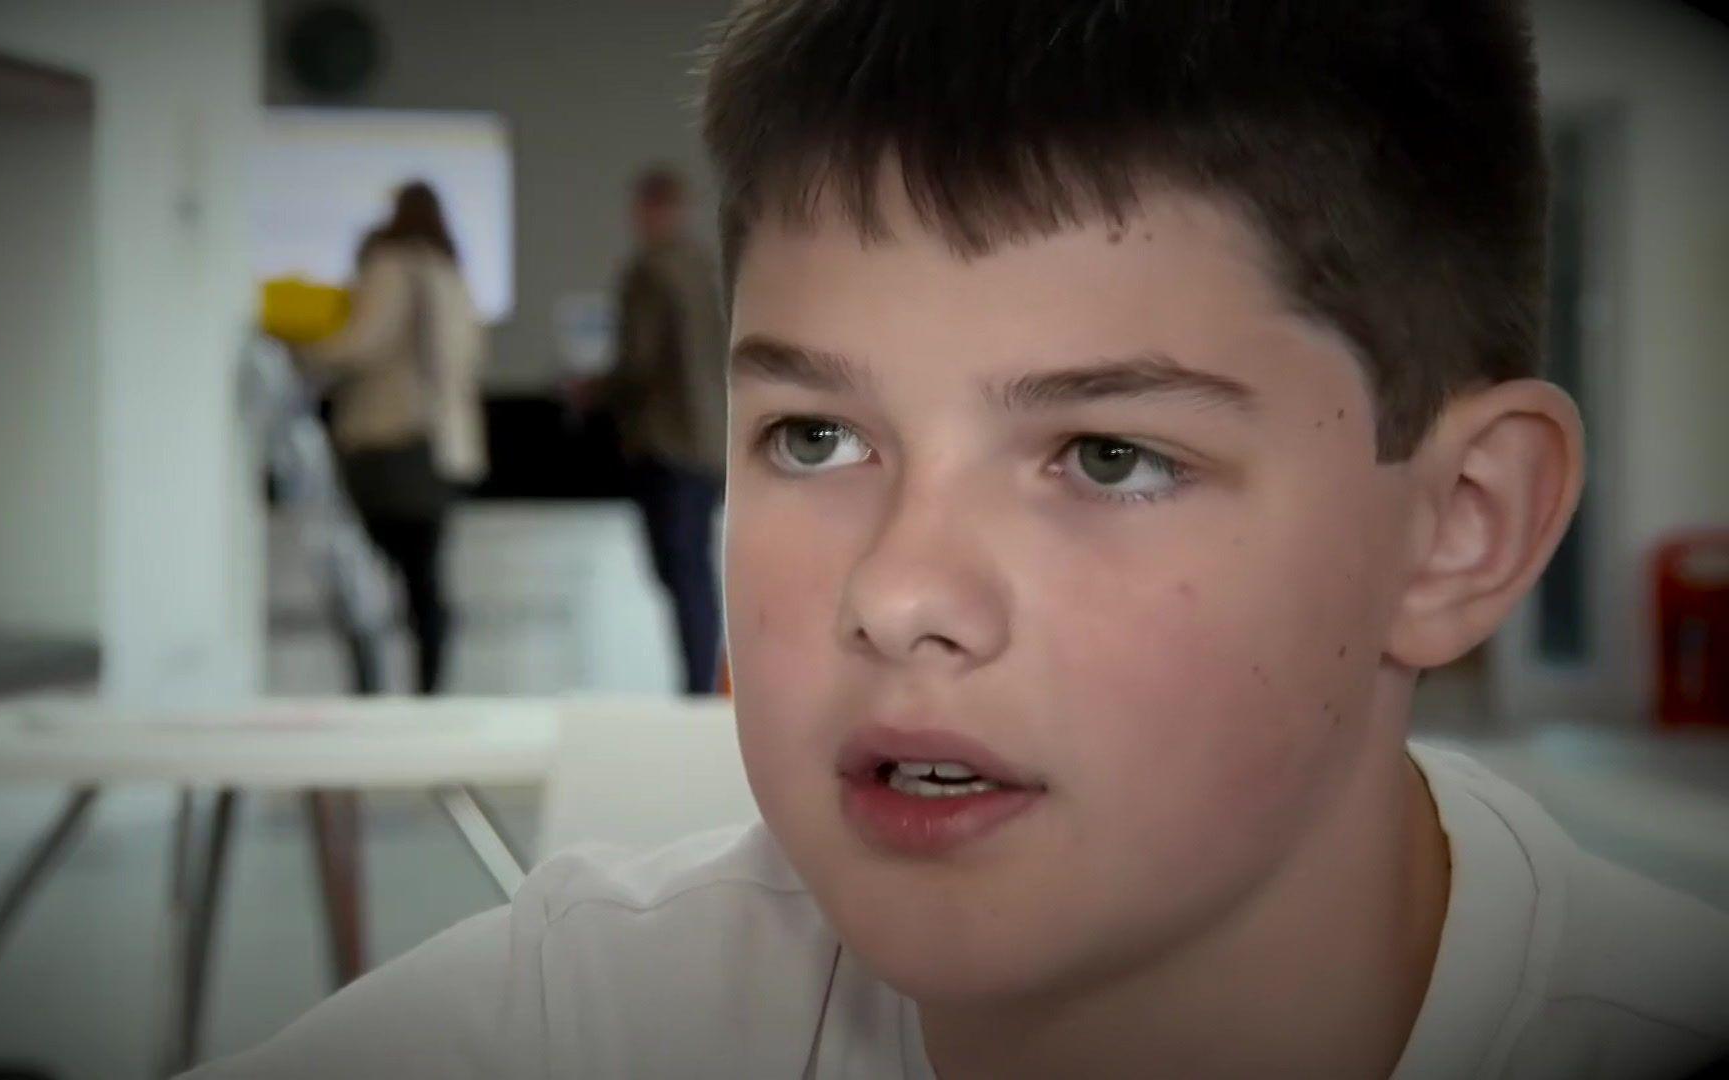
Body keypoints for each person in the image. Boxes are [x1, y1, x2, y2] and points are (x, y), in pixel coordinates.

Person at [188, 3, 1729, 1078]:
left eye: (1108, 454)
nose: (898, 592)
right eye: (817, 438)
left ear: (1458, 529)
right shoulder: (591, 1014)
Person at [296, 181, 487, 695]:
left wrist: (302, 349)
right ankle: (429, 693)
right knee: (425, 582)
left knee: (372, 582)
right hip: (442, 451)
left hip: (390, 444)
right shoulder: (451, 273)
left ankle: (374, 692)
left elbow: (362, 343)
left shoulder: (391, 266)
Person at [598, 166, 730, 694]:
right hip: (709, 436)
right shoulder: (708, 267)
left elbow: (640, 363)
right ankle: (703, 683)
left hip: (665, 438)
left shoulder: (649, 271)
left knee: (679, 570)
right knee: (696, 570)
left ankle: (698, 686)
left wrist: (596, 390)